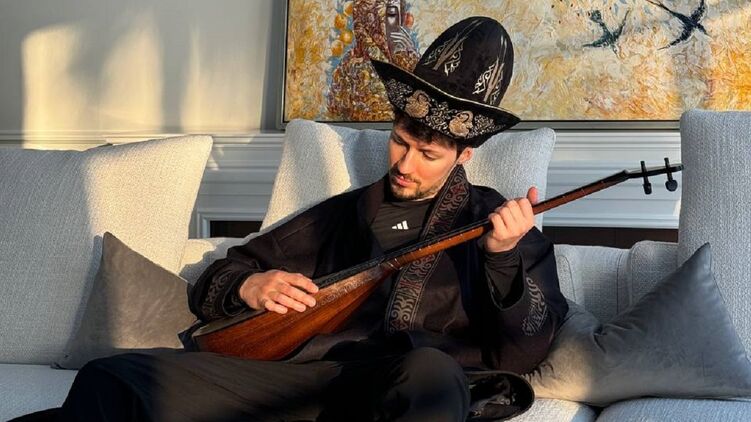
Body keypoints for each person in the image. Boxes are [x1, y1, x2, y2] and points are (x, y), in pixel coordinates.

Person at [17, 16, 568, 422]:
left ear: (463, 156)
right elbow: (220, 276)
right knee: (117, 376)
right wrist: (251, 286)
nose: (405, 164)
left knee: (429, 371)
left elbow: (525, 351)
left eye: (428, 155)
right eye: (400, 141)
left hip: (412, 386)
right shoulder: (342, 215)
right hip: (305, 381)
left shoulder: (501, 225)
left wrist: (501, 260)